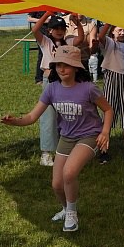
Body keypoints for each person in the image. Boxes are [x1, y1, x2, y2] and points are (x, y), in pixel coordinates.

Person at [1, 45, 113, 232]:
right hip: (66, 137)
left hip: (89, 136)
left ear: (77, 67)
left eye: (66, 65)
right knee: (56, 184)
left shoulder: (88, 89)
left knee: (69, 173)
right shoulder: (52, 89)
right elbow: (31, 117)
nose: (62, 69)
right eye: (58, 65)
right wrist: (14, 121)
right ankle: (65, 208)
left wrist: (105, 132)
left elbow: (108, 109)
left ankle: (72, 213)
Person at [31, 12, 85, 166]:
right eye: (56, 28)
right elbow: (35, 30)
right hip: (51, 80)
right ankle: (46, 153)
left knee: (67, 113)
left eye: (62, 28)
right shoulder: (46, 42)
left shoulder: (68, 42)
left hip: (66, 81)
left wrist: (77, 22)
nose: (59, 31)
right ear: (49, 30)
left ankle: (66, 148)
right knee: (48, 116)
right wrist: (46, 14)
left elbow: (80, 39)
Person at [91, 22, 124, 162]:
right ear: (113, 32)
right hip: (111, 80)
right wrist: (109, 21)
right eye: (119, 30)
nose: (122, 32)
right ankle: (103, 149)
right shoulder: (109, 44)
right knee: (108, 112)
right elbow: (100, 36)